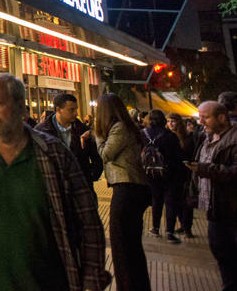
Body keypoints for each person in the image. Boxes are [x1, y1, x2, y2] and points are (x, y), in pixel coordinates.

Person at [0, 74, 110, 291]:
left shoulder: (53, 155)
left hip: (48, 282)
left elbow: (87, 220)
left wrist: (91, 279)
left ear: (20, 108)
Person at [93, 93, 151, 291]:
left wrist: (97, 134)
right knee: (130, 244)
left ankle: (128, 286)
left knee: (122, 244)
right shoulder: (126, 127)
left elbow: (105, 154)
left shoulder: (119, 128)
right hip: (133, 188)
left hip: (127, 188)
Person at [186, 101, 237, 289]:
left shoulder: (233, 139)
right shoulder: (207, 138)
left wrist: (207, 170)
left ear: (222, 118)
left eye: (205, 117)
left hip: (231, 209)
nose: (201, 122)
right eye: (199, 117)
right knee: (222, 255)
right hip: (215, 209)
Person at [34, 93, 104, 184]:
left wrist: (89, 176)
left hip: (80, 185)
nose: (76, 113)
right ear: (58, 110)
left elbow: (96, 158)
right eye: (71, 110)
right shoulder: (41, 131)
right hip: (54, 187)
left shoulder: (83, 130)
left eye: (76, 109)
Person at [142, 110, 185, 243]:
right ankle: (169, 232)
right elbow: (178, 157)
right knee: (170, 202)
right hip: (169, 173)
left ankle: (155, 227)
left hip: (151, 173)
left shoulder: (143, 134)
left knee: (156, 200)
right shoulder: (169, 135)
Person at [168, 112, 197, 238]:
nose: (170, 124)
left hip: (185, 174)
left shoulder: (187, 138)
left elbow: (190, 154)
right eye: (168, 121)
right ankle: (182, 224)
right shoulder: (167, 136)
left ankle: (187, 227)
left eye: (173, 121)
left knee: (187, 202)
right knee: (177, 202)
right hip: (172, 175)